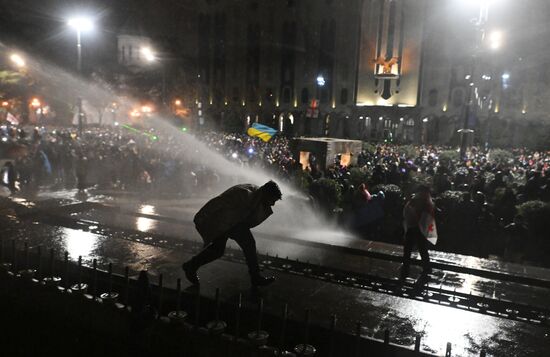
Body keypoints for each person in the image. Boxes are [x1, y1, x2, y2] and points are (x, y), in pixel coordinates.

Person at [182, 180, 282, 287]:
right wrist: (202, 216)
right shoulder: (245, 194)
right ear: (267, 194)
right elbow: (219, 202)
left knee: (218, 250)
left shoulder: (256, 197)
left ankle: (191, 266)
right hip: (223, 222)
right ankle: (255, 277)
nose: (273, 204)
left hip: (230, 222)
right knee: (248, 244)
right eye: (272, 200)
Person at [401, 185, 436, 278]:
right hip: (416, 227)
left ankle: (409, 266)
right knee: (418, 248)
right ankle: (424, 267)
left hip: (416, 227)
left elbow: (408, 211)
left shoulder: (423, 201)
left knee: (416, 248)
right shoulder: (421, 201)